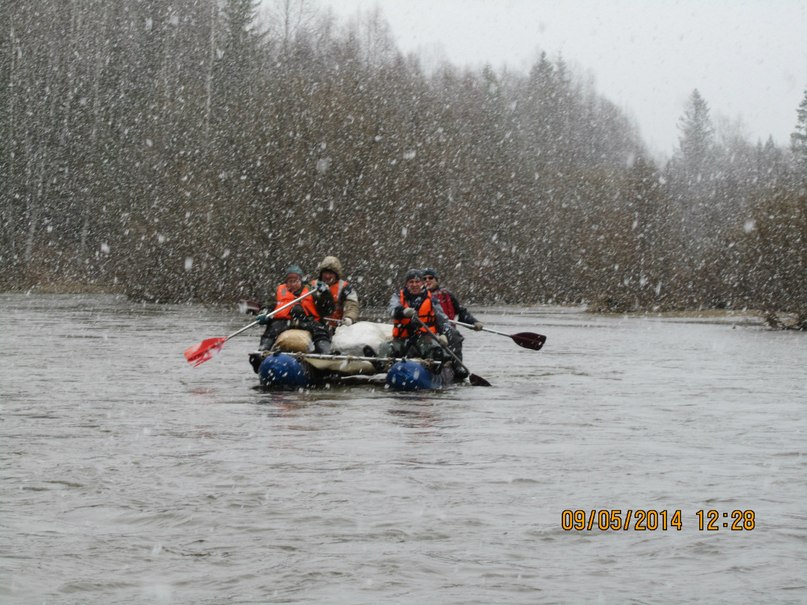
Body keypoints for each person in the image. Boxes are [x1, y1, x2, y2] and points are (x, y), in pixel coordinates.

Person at [249, 265, 332, 373]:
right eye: (290, 281)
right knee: (271, 330)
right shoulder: (278, 291)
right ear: (286, 282)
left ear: (301, 281)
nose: (292, 284)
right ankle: (262, 352)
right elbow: (268, 305)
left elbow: (327, 309)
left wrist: (326, 294)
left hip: (307, 321)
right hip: (284, 321)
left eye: (295, 281)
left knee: (320, 330)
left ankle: (325, 353)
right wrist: (264, 313)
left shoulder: (313, 290)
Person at [383, 269, 454, 361]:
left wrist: (443, 334)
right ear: (406, 284)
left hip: (424, 339)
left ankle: (436, 365)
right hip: (402, 339)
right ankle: (382, 364)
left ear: (422, 283)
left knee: (436, 350)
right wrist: (403, 311)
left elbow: (443, 320)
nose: (414, 285)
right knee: (385, 347)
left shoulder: (432, 299)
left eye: (417, 281)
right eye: (411, 282)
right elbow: (391, 310)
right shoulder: (398, 296)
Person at [421, 267, 483, 361]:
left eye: (430, 278)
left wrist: (474, 322)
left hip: (448, 333)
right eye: (424, 278)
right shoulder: (419, 297)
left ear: (436, 280)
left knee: (456, 341)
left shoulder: (446, 294)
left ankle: (457, 369)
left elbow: (462, 312)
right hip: (429, 335)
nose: (427, 280)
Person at [311, 256, 359, 332]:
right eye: (325, 272)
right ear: (321, 273)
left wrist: (349, 318)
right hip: (314, 326)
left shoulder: (345, 288)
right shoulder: (312, 286)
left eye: (330, 273)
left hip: (337, 327)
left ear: (336, 275)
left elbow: (352, 305)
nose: (327, 276)